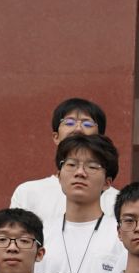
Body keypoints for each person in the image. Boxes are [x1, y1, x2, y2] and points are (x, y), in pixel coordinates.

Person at [10, 97, 117, 233]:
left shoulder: (116, 200)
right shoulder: (28, 192)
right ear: (56, 136)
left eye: (87, 124)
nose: (78, 128)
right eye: (69, 122)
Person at [36, 132, 126, 273]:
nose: (80, 173)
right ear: (59, 176)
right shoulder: (41, 233)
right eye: (71, 165)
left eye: (92, 167)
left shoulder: (120, 235)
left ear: (107, 183)